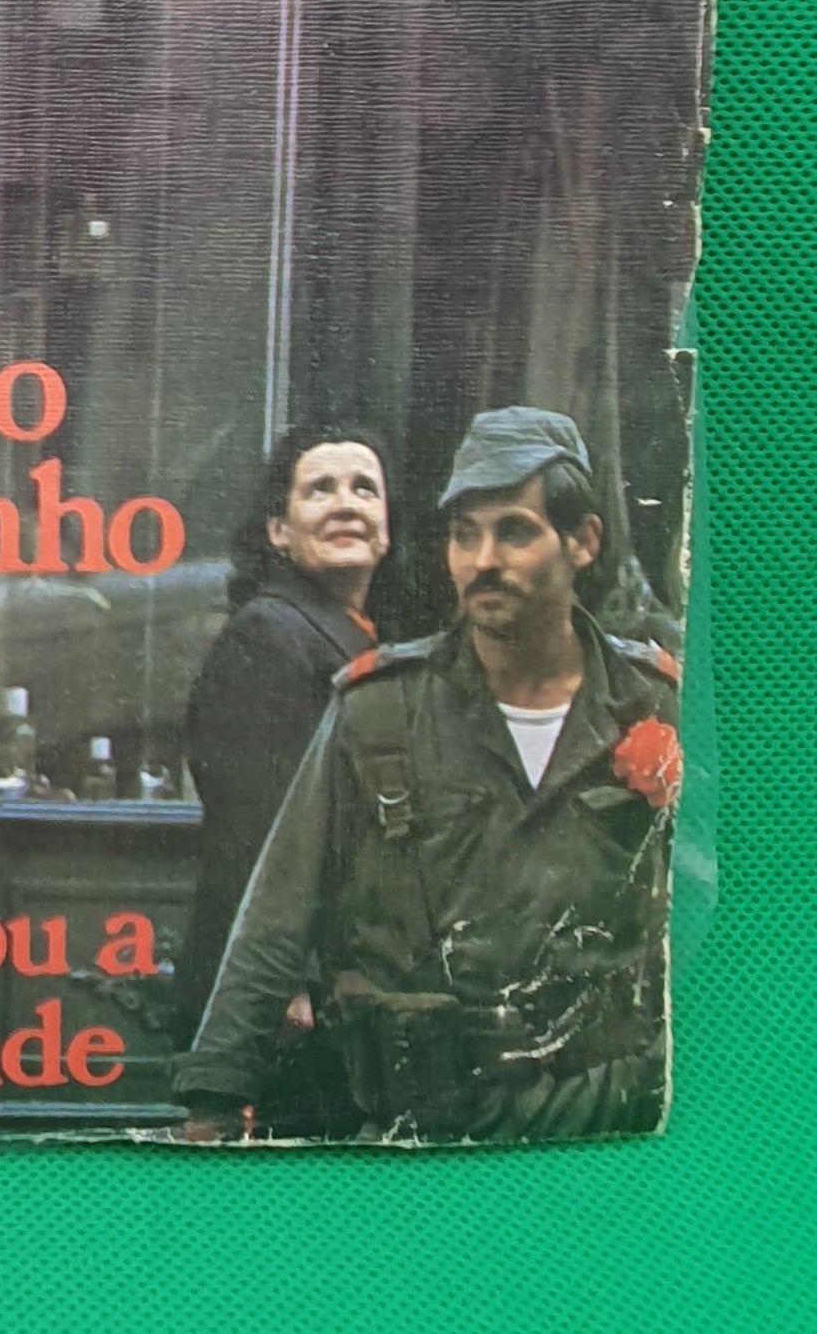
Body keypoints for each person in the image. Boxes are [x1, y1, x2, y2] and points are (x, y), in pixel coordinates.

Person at [176, 408, 681, 1143]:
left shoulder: (655, 703)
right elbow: (275, 917)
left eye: (514, 531)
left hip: (604, 1124)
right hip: (424, 1130)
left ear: (583, 541)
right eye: (464, 534)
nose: (483, 560)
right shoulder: (379, 708)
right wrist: (215, 1101)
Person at [174, 424, 389, 1130]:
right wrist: (286, 987)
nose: (346, 503)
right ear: (279, 532)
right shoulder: (267, 636)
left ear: (387, 529)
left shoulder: (350, 634)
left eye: (364, 489)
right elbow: (252, 831)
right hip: (287, 1004)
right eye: (319, 489)